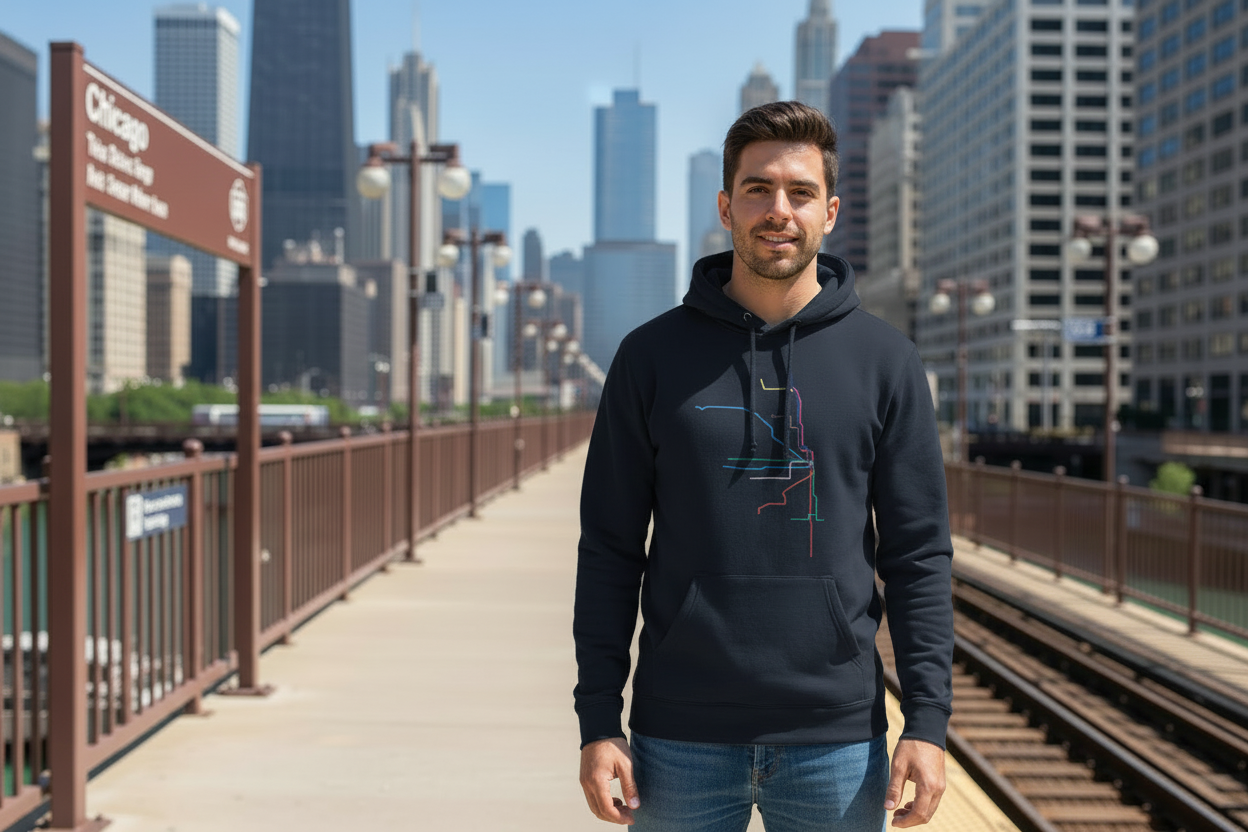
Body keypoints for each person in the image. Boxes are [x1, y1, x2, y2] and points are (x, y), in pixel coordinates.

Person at [573, 100, 953, 831]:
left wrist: (928, 724)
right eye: (757, 189)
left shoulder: (886, 361)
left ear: (831, 211)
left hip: (836, 739)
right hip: (675, 737)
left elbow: (918, 557)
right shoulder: (650, 358)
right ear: (725, 205)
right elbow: (610, 549)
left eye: (800, 193)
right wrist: (598, 720)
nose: (778, 210)